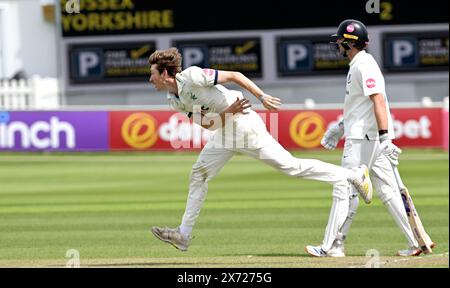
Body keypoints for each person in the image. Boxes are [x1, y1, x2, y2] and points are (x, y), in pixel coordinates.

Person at [148, 47, 373, 252]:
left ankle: (354, 175)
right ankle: (184, 235)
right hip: (225, 131)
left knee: (291, 166)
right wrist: (228, 111)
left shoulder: (192, 76)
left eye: (153, 74)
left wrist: (262, 97)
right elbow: (209, 124)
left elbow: (235, 76)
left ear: (165, 73)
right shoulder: (174, 101)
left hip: (245, 126)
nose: (151, 79)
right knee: (199, 174)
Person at [305, 19, 434, 257]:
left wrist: (386, 138)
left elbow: (378, 101)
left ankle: (332, 246)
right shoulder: (361, 64)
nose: (338, 46)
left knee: (344, 186)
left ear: (349, 43)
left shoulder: (362, 66)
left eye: (341, 42)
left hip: (363, 139)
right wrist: (340, 128)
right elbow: (360, 108)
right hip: (367, 137)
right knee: (388, 190)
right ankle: (417, 242)